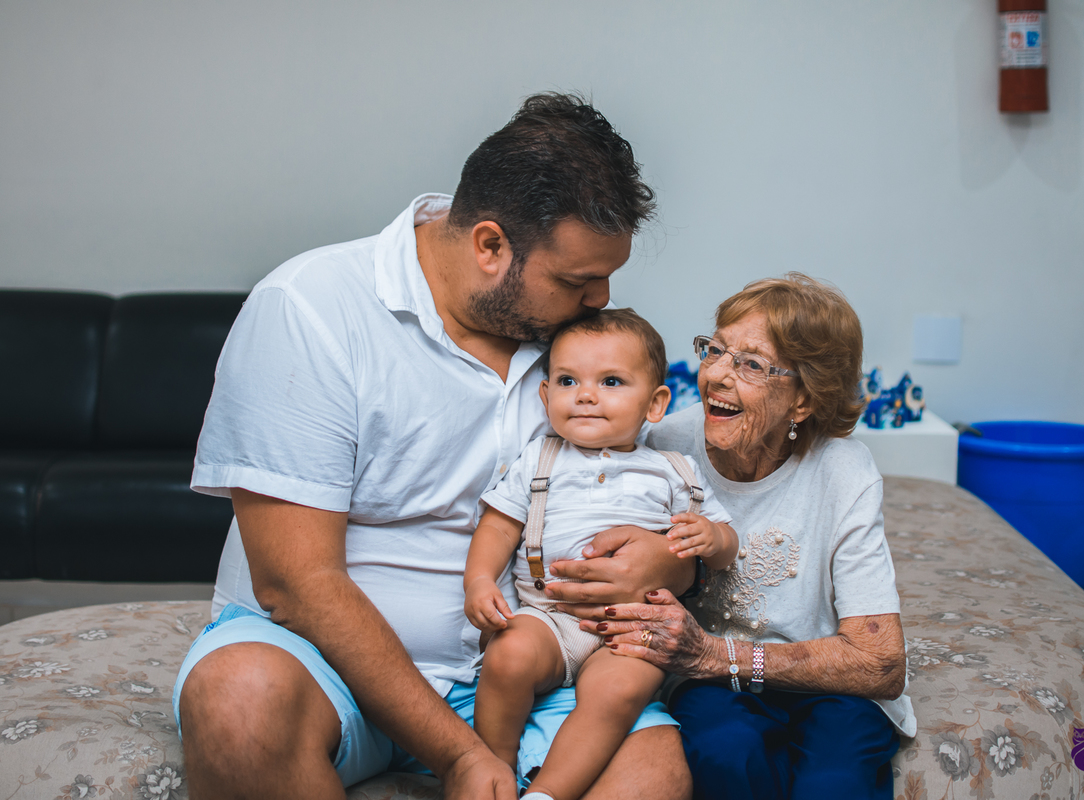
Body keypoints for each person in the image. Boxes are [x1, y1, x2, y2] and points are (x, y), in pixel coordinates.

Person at [170, 93, 695, 800]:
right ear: (489, 246)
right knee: (238, 702)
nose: (601, 298)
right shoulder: (310, 308)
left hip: (525, 664)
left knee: (654, 774)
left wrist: (668, 561)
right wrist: (460, 755)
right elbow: (296, 585)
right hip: (323, 667)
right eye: (578, 279)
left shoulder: (575, 347)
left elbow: (650, 481)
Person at [565, 273, 917, 800]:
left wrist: (716, 654)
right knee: (724, 755)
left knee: (833, 783)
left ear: (802, 401)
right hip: (711, 689)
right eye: (716, 351)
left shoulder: (844, 471)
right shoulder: (666, 441)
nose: (717, 377)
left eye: (751, 364)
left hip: (829, 686)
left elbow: (880, 663)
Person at [464, 309, 738, 800]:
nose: (586, 394)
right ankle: (495, 769)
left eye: (611, 381)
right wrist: (480, 582)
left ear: (654, 404)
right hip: (547, 613)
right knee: (508, 657)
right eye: (568, 380)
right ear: (547, 397)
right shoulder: (540, 458)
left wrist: (714, 540)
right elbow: (499, 526)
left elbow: (723, 549)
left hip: (631, 625)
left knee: (620, 691)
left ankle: (548, 792)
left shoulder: (673, 471)